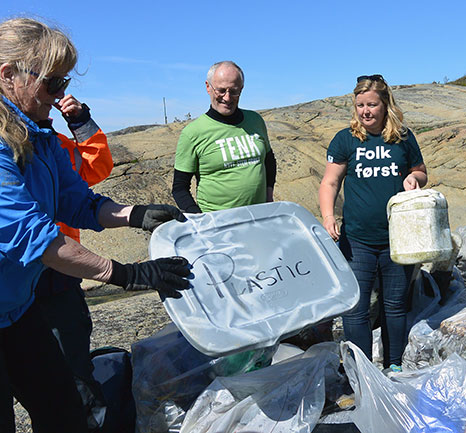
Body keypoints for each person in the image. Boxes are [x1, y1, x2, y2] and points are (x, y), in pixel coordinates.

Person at [0, 18, 191, 432]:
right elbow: (33, 238)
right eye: (51, 83)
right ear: (8, 75)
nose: (59, 95)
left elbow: (76, 199)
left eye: (63, 82)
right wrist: (126, 274)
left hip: (16, 307)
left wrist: (135, 214)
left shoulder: (40, 135)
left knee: (64, 408)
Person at [319, 74, 427, 372]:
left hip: (399, 239)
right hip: (356, 240)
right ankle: (361, 371)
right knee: (356, 309)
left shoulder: (403, 137)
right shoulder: (346, 139)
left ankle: (394, 366)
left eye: (371, 105)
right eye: (360, 105)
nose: (365, 111)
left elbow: (421, 171)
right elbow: (330, 182)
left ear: (385, 105)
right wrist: (328, 217)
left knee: (395, 308)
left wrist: (413, 178)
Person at [34, 93, 113, 431]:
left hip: (59, 278)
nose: (54, 92)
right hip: (13, 283)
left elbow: (96, 167)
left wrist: (80, 122)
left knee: (75, 377)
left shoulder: (56, 145)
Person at [172, 60, 276, 213]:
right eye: (221, 90)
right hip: (219, 225)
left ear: (241, 88)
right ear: (208, 87)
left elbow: (269, 160)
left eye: (234, 91)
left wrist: (268, 196)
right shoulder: (192, 133)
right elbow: (180, 188)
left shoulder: (255, 121)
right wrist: (201, 220)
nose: (227, 98)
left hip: (259, 218)